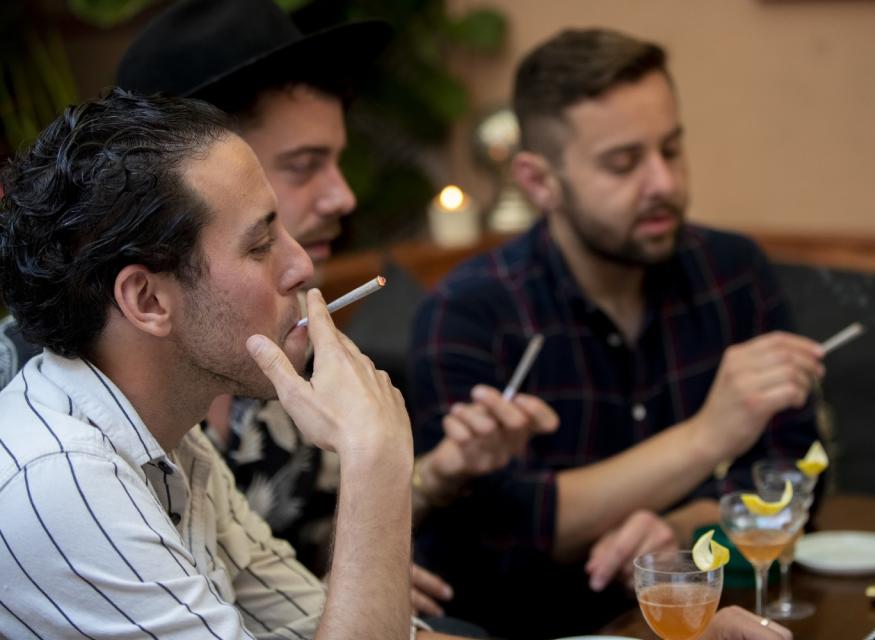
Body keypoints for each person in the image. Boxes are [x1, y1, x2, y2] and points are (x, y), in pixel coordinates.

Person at [0, 88, 793, 640]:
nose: (303, 267)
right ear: (146, 301)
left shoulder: (171, 444)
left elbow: (352, 626)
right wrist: (377, 459)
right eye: (258, 242)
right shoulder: (60, 483)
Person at [112, 0, 559, 620]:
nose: (344, 194)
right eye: (304, 166)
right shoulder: (63, 430)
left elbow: (312, 546)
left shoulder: (283, 342)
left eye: (337, 160)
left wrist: (442, 470)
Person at [409, 28, 823, 639]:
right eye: (623, 163)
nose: (662, 182)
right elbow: (503, 527)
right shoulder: (468, 311)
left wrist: (687, 526)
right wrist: (708, 435)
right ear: (538, 180)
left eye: (672, 150)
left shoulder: (732, 273)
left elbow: (796, 469)